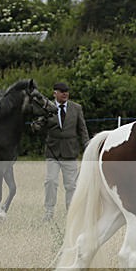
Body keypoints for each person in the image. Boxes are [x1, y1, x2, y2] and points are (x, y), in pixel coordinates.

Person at [37, 82, 90, 221]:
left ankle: (71, 214)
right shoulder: (47, 108)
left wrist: (88, 145)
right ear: (55, 93)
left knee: (71, 185)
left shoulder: (76, 108)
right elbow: (39, 126)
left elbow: (82, 129)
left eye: (66, 91)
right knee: (50, 182)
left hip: (70, 151)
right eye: (62, 91)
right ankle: (49, 212)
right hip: (52, 151)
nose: (65, 93)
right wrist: (37, 125)